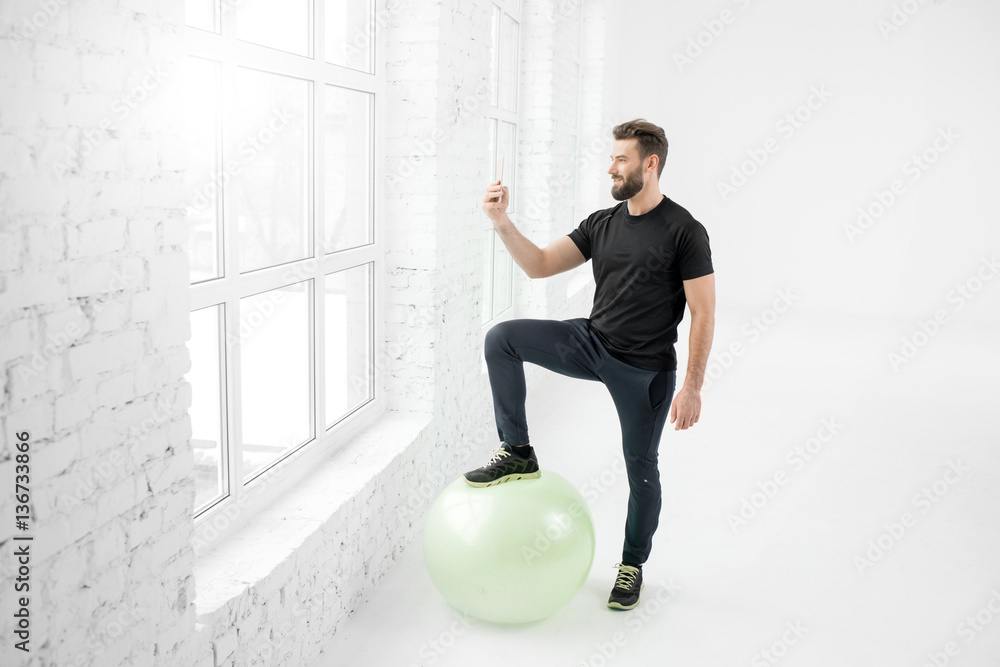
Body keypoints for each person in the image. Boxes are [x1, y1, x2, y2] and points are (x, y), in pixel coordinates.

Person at [464, 118, 716, 611]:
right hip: (591, 342)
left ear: (651, 163)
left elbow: (704, 311)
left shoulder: (685, 230)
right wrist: (501, 222)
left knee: (641, 469)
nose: (611, 169)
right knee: (503, 339)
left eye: (621, 160)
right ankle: (517, 450)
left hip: (644, 369)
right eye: (612, 158)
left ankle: (631, 565)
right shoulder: (602, 223)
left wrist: (692, 386)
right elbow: (538, 264)